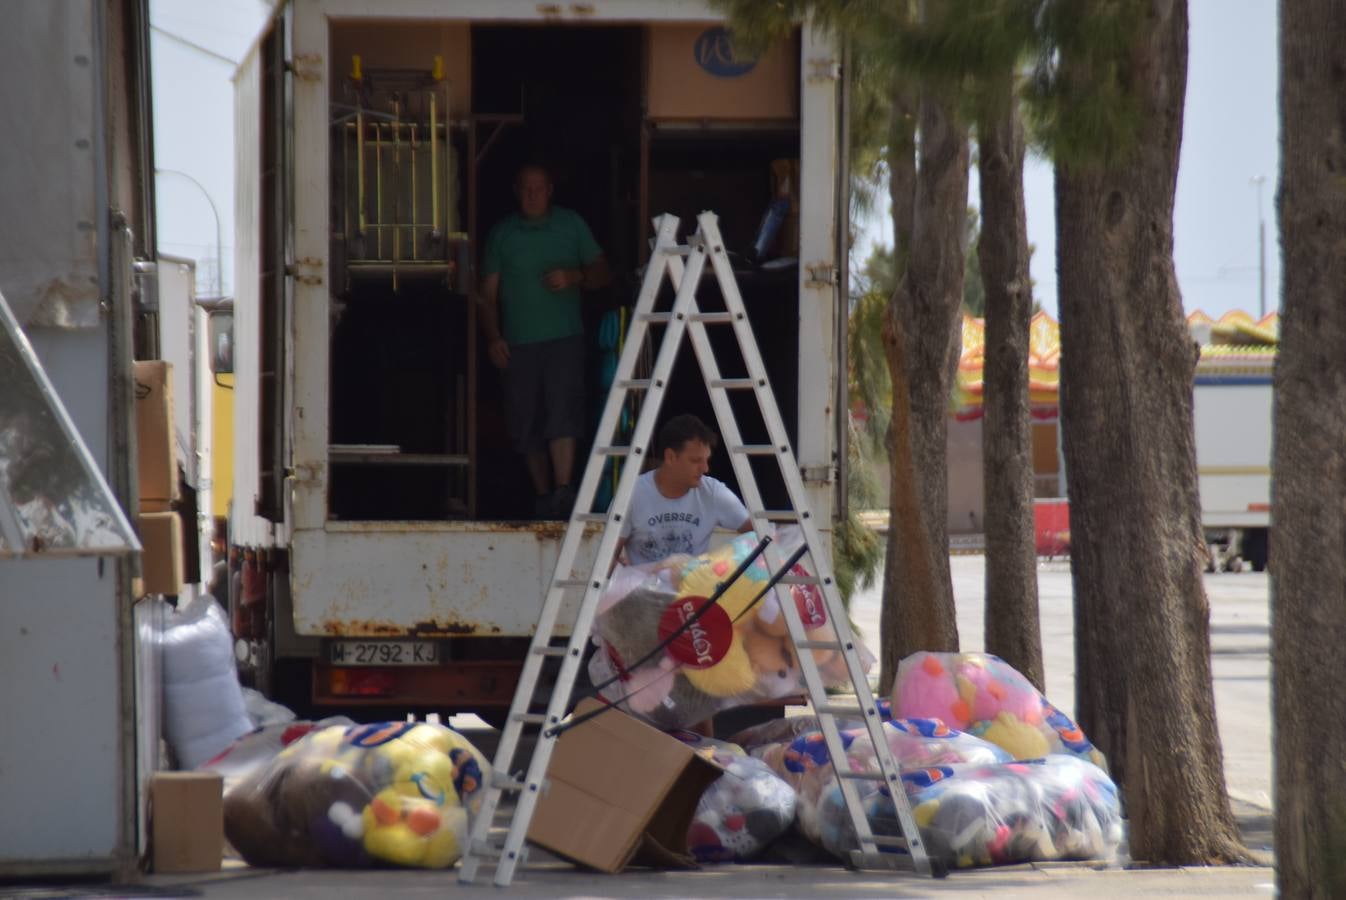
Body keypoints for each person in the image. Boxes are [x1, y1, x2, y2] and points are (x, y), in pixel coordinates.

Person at [479, 163, 611, 518]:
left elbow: (604, 272)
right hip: (518, 343)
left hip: (564, 338)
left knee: (563, 412)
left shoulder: (571, 225)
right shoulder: (502, 234)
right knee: (526, 421)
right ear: (516, 190)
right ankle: (543, 495)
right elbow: (486, 295)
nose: (532, 195)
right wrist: (493, 338)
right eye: (526, 189)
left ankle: (564, 490)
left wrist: (575, 275)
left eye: (539, 188)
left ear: (550, 190)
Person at [615, 414, 753, 567]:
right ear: (670, 457)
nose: (705, 469)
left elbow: (760, 534)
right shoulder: (631, 494)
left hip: (694, 588)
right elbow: (608, 555)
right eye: (696, 461)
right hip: (643, 589)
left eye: (706, 460)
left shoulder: (713, 492)